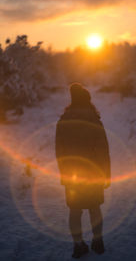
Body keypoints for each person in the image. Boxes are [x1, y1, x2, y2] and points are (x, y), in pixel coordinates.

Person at [55, 83, 111, 258]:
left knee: (75, 210)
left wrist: (64, 172)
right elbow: (103, 150)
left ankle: (78, 245)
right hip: (93, 172)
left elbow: (59, 151)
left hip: (72, 174)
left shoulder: (63, 121)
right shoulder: (94, 121)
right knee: (95, 208)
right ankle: (98, 242)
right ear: (88, 101)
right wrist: (106, 174)